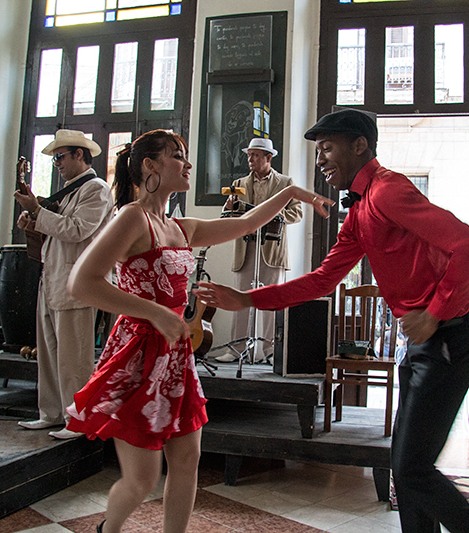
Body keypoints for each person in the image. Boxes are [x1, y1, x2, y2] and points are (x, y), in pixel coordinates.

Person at [195, 109, 469, 533]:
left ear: (360, 146)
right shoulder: (357, 213)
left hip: (452, 334)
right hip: (427, 340)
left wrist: (434, 313)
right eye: (318, 152)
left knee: (410, 467)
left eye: (327, 149)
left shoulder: (388, 190)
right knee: (405, 464)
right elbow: (322, 281)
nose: (320, 161)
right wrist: (245, 298)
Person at [64, 129, 331, 533]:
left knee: (187, 461)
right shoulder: (132, 217)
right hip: (137, 353)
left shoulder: (180, 227)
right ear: (150, 166)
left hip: (175, 355)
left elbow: (245, 222)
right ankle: (108, 529)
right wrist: (153, 312)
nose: (188, 164)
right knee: (142, 479)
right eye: (177, 155)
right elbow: (83, 282)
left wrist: (293, 193)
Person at [13, 129, 113, 440]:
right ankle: (52, 412)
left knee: (74, 356)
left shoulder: (95, 189)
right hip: (53, 277)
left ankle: (78, 419)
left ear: (79, 155)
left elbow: (77, 230)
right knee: (49, 351)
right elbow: (57, 233)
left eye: (59, 156)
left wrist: (36, 211)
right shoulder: (70, 190)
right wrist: (34, 224)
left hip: (77, 282)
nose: (56, 163)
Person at [216, 137, 302, 363]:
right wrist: (229, 208)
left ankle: (272, 351)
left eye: (255, 155)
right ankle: (236, 349)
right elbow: (228, 217)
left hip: (272, 249)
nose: (250, 159)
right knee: (240, 299)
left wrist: (272, 216)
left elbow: (297, 214)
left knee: (273, 301)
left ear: (268, 158)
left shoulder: (286, 183)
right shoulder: (239, 183)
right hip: (245, 249)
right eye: (248, 155)